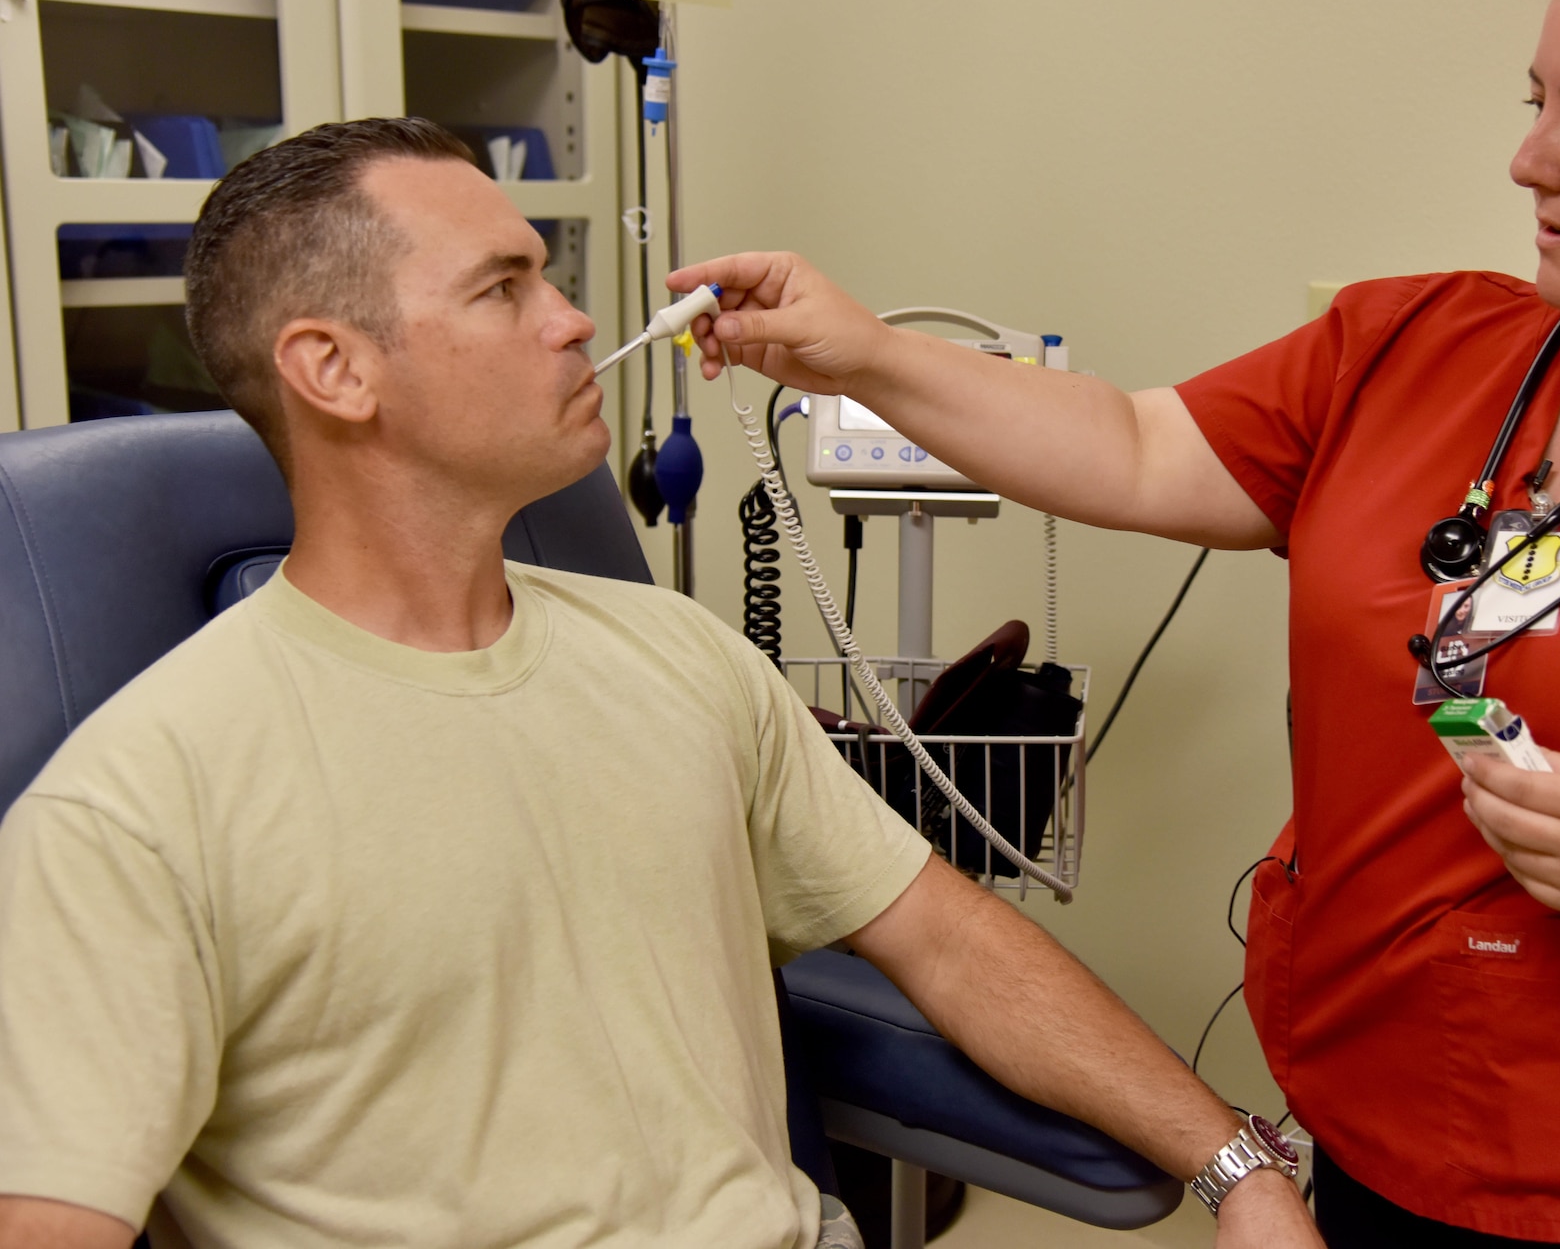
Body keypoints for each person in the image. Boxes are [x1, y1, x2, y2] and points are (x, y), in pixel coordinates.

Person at [666, 0, 1560, 1245]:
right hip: (1373, 1122)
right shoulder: (1416, 344)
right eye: (1535, 103)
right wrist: (867, 358)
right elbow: (1133, 448)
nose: (1529, 159)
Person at [0, 118, 1323, 1249]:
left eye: (552, 277)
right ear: (332, 371)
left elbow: (946, 938)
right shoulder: (133, 808)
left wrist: (1239, 1165)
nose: (575, 319)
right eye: (504, 288)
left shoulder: (677, 657)